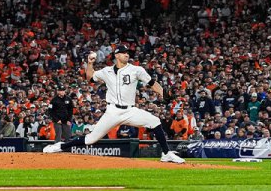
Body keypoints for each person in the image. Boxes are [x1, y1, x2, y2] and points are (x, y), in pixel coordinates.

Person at [43, 46, 185, 164]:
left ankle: (166, 154)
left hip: (130, 111)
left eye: (128, 53)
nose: (127, 54)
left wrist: (163, 93)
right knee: (90, 139)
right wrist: (90, 63)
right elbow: (90, 77)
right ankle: (60, 146)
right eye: (124, 53)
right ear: (117, 55)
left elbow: (152, 83)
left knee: (155, 121)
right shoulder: (107, 71)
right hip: (112, 111)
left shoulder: (136, 70)